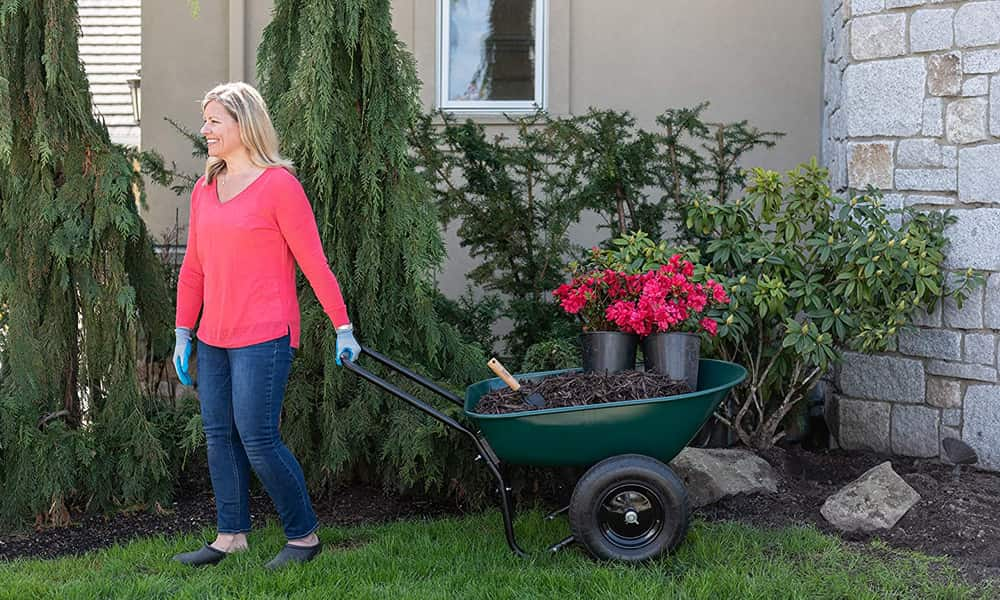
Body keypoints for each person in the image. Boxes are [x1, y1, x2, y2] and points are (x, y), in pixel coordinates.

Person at [170, 82, 361, 570]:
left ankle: (304, 535)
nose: (205, 129)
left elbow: (314, 263)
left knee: (257, 437)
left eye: (215, 121)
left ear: (243, 125)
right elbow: (194, 267)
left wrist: (342, 326)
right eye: (206, 120)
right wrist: (182, 332)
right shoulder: (204, 189)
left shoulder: (279, 187)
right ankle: (231, 535)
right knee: (219, 435)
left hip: (265, 335)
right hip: (213, 335)